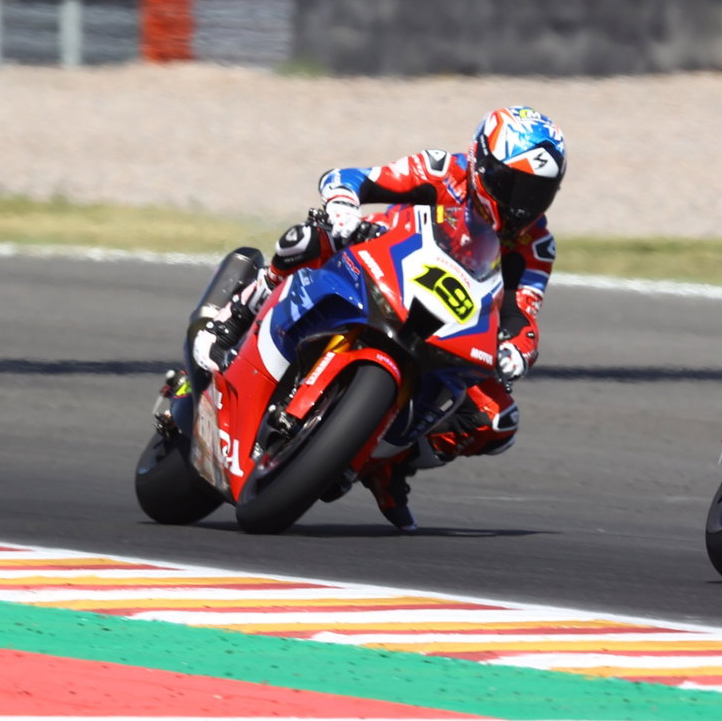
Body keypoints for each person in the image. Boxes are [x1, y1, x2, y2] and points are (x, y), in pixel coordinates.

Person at [193, 106, 568, 531]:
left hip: (451, 318)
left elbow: (523, 311)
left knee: (497, 420)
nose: (522, 205)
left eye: (538, 193)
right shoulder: (443, 171)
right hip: (381, 257)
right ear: (481, 165)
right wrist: (343, 204)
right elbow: (353, 178)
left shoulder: (536, 244)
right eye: (514, 185)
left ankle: (389, 463)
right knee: (311, 237)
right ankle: (238, 314)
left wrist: (516, 351)